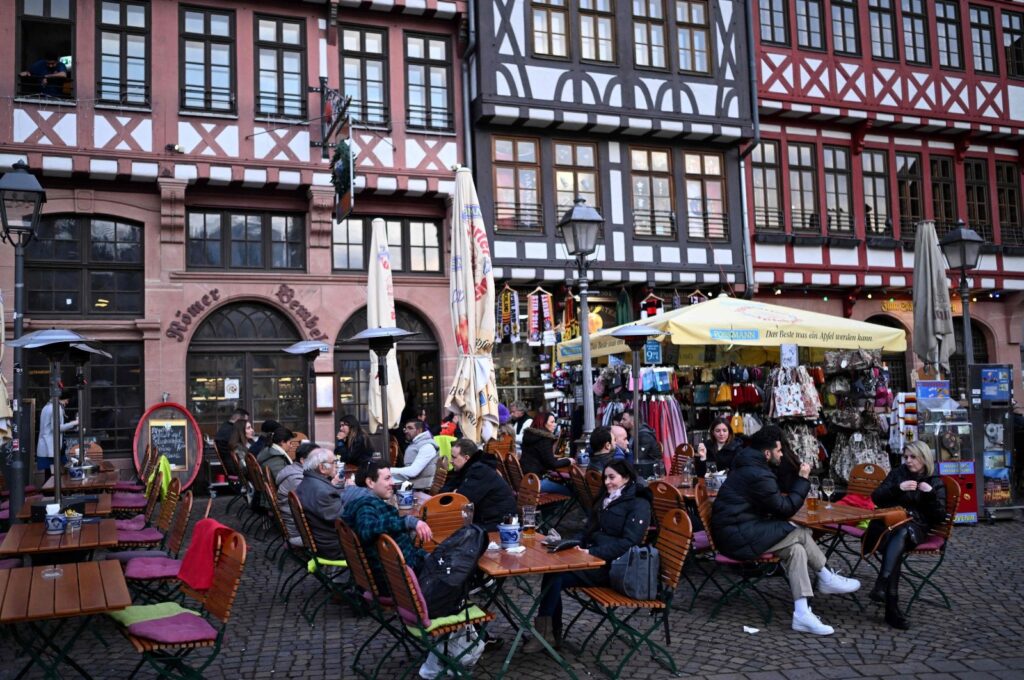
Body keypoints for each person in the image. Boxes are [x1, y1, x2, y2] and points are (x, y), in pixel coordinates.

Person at [710, 425, 861, 636]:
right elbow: (785, 509)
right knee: (799, 532)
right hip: (734, 536)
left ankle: (802, 613)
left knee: (796, 549)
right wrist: (803, 479)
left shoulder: (750, 465)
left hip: (741, 528)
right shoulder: (758, 473)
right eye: (779, 451)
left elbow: (771, 506)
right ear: (767, 453)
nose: (782, 454)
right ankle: (825, 575)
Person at [525, 459, 652, 652]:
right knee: (552, 571)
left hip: (613, 568)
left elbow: (629, 542)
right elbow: (587, 530)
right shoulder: (606, 498)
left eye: (612, 477)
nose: (607, 482)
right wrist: (572, 544)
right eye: (605, 478)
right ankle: (549, 633)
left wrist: (592, 552)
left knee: (555, 576)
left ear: (626, 477)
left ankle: (547, 634)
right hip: (592, 559)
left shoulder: (638, 503)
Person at [865, 440, 947, 630]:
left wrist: (931, 495)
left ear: (924, 459)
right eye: (906, 457)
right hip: (889, 527)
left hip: (916, 529)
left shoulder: (934, 481)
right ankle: (890, 607)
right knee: (897, 540)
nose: (908, 461)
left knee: (900, 534)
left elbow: (940, 516)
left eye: (913, 457)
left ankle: (882, 585)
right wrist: (898, 488)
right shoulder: (898, 473)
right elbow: (876, 496)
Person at [340, 461, 433, 592]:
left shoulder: (361, 500)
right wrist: (407, 521)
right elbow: (366, 530)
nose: (393, 483)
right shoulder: (366, 505)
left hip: (393, 571)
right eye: (387, 478)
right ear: (370, 483)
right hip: (396, 579)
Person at [441, 438, 516, 531]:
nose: (451, 461)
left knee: (448, 527)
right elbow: (443, 495)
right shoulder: (465, 469)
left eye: (454, 457)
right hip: (485, 519)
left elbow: (462, 500)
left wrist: (455, 492)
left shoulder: (479, 470)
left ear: (466, 458)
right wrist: (454, 492)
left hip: (500, 524)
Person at [293, 449, 346, 559]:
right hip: (333, 547)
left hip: (322, 540)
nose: (336, 465)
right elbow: (344, 520)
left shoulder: (308, 482)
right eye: (334, 462)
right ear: (322, 468)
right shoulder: (322, 492)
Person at [520, 411, 571, 495]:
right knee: (570, 490)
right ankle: (558, 508)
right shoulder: (544, 438)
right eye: (552, 422)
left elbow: (542, 458)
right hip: (536, 482)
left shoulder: (529, 436)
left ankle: (556, 508)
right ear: (543, 423)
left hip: (527, 479)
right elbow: (551, 464)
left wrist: (558, 459)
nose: (555, 424)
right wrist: (569, 460)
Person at [276, 442, 317, 546]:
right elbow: (315, 507)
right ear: (303, 461)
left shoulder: (292, 469)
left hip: (297, 525)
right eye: (316, 458)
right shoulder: (297, 479)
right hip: (300, 533)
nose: (320, 462)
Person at [37, 392, 78, 479]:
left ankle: (49, 492)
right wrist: (73, 423)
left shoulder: (46, 407)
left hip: (46, 446)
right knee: (54, 477)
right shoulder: (56, 408)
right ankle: (51, 492)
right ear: (61, 399)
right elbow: (56, 428)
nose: (67, 402)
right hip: (51, 447)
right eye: (67, 400)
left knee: (49, 476)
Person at [391, 420, 439, 491]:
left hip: (421, 487)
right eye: (406, 428)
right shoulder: (417, 444)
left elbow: (413, 471)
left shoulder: (427, 446)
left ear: (419, 430)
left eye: (410, 428)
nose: (406, 431)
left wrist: (389, 470)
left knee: (386, 483)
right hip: (414, 483)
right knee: (386, 480)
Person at [612, 409, 661, 478]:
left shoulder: (644, 436)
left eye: (624, 419)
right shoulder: (630, 433)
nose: (621, 422)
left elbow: (636, 459)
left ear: (633, 422)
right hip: (640, 470)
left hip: (650, 473)